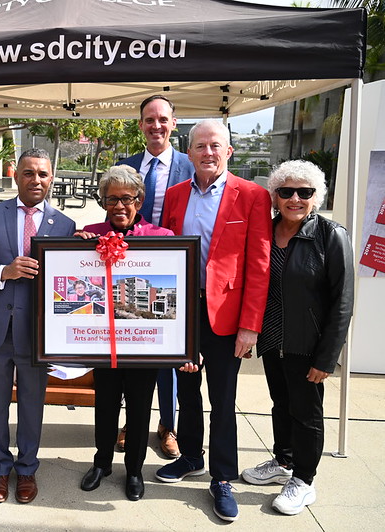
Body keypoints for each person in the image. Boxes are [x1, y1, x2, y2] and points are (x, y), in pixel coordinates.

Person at [154, 120, 272, 522]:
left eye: (215, 146)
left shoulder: (253, 196)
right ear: (189, 153)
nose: (208, 152)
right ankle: (191, 456)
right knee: (185, 389)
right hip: (182, 311)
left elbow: (259, 264)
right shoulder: (174, 195)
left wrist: (250, 324)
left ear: (229, 152)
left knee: (223, 399)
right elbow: (163, 252)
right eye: (200, 146)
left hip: (227, 316)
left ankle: (222, 477)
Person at [0, 148, 76, 504]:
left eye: (42, 174)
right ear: (16, 176)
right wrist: (3, 272)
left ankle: (26, 469)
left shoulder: (66, 225)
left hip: (37, 333)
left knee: (31, 405)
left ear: (52, 178)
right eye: (28, 173)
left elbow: (71, 281)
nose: (36, 180)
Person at [240, 160, 353, 515]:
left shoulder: (331, 235)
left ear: (316, 197)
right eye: (285, 191)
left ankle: (304, 480)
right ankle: (284, 461)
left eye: (304, 192)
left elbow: (343, 301)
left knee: (307, 413)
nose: (294, 199)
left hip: (308, 343)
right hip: (274, 337)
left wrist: (326, 357)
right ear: (274, 196)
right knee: (281, 404)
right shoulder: (264, 230)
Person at [77, 165, 174, 501]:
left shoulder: (162, 239)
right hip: (102, 342)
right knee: (104, 405)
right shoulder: (89, 234)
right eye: (111, 198)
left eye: (127, 198)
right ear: (103, 201)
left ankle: (134, 469)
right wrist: (73, 250)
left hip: (143, 344)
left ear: (140, 200)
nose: (119, 205)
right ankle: (101, 463)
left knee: (139, 407)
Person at [116, 94, 194, 459]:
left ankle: (167, 424)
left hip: (171, 273)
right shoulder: (125, 165)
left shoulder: (191, 166)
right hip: (128, 272)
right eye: (149, 119)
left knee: (166, 357)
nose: (156, 125)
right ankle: (133, 422)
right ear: (141, 125)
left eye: (163, 119)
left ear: (173, 123)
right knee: (132, 349)